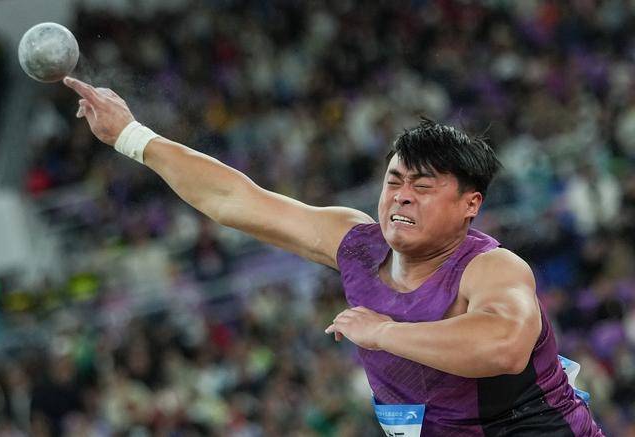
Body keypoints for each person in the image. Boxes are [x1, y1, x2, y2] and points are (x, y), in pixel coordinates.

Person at [62, 76, 604, 436]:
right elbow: (236, 199)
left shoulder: (491, 267)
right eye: (394, 181)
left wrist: (383, 332)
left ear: (470, 205)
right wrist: (132, 136)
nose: (401, 197)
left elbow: (504, 345)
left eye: (422, 186)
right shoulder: (356, 244)